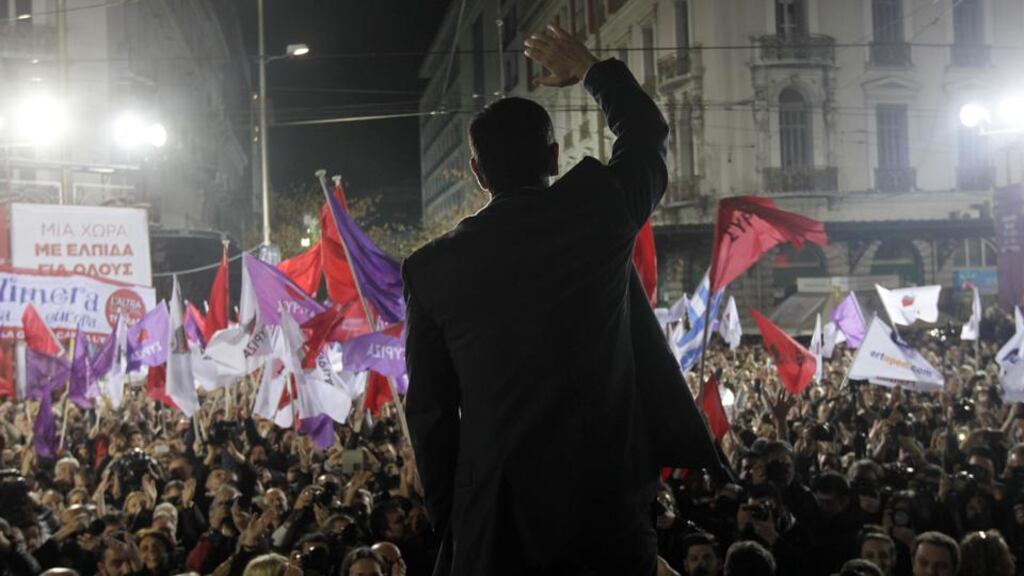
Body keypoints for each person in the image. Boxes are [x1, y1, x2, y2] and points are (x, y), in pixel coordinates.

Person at [402, 20, 720, 576]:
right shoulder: (597, 210)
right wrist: (593, 71)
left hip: (497, 520)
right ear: (553, 159)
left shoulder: (431, 269)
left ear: (478, 173)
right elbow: (646, 133)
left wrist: (456, 519)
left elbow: (430, 414)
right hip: (603, 508)